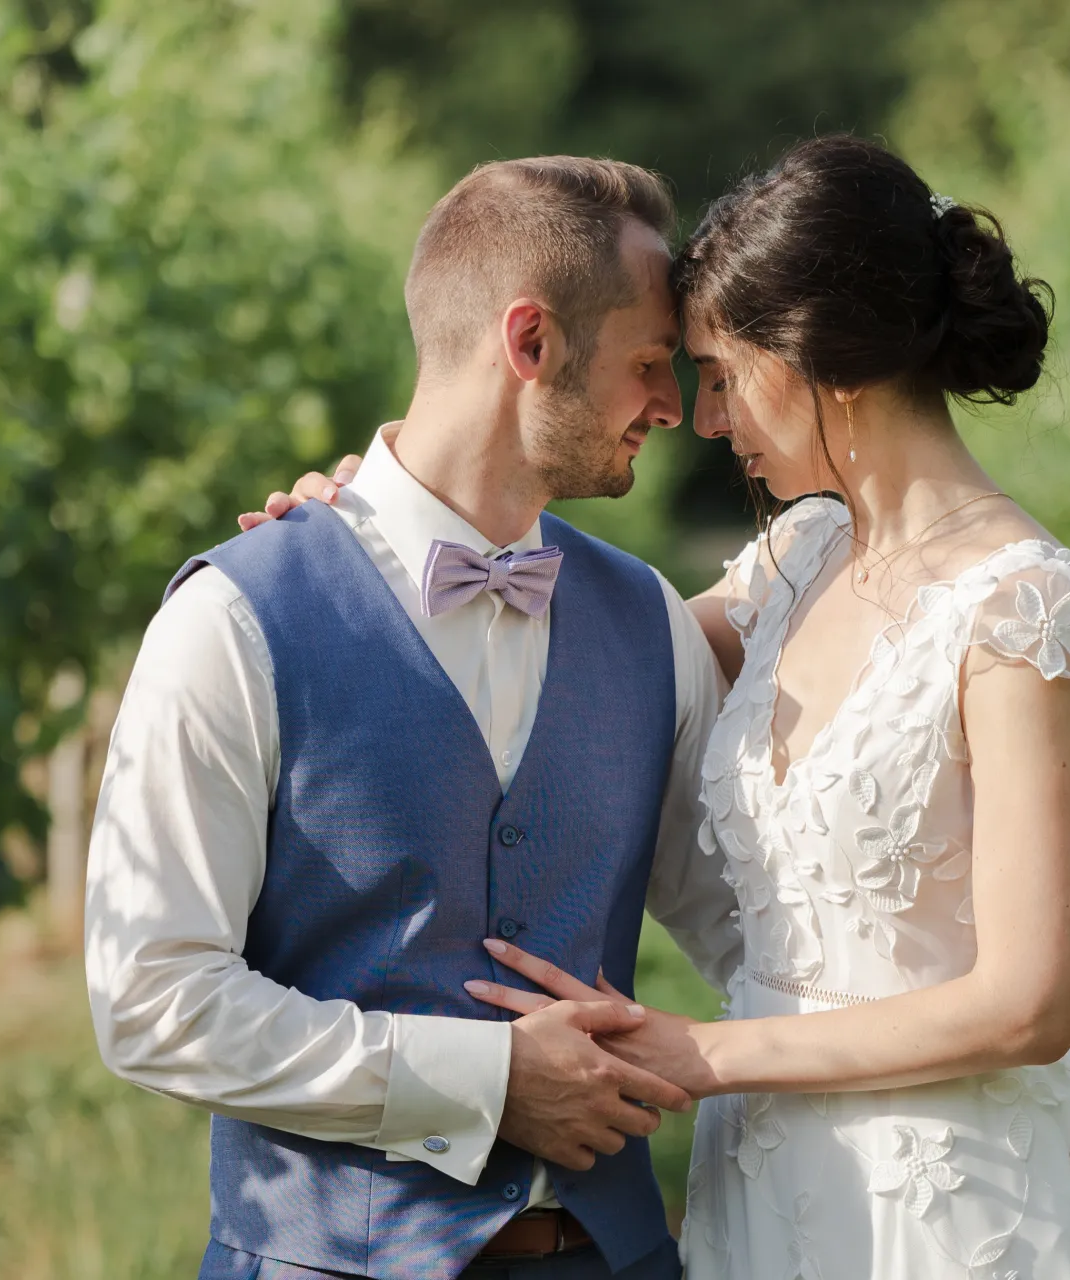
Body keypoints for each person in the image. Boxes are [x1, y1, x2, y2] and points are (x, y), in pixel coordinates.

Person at [265, 136, 1070, 1279]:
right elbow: (534, 653)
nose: (702, 417)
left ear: (823, 358)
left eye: (721, 375)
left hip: (952, 1192)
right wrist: (375, 532)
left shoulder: (1021, 607)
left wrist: (705, 1053)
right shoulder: (797, 559)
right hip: (767, 1178)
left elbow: (1029, 1004)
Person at [85, 157, 743, 1280]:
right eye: (648, 363)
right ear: (530, 342)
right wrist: (479, 1082)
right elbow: (150, 997)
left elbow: (753, 931)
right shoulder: (235, 619)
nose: (674, 406)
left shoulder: (651, 622)